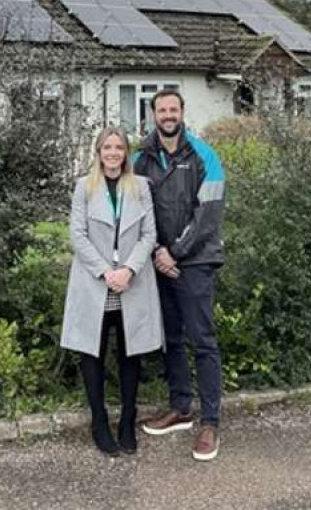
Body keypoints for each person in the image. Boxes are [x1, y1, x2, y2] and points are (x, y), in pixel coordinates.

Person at [61, 126, 164, 457]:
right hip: (96, 282)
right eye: (107, 147)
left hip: (131, 282)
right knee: (93, 352)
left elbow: (150, 234)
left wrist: (129, 269)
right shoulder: (83, 187)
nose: (113, 153)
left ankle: (127, 420)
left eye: (119, 147)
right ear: (98, 152)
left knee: (130, 353)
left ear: (126, 152)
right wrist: (106, 272)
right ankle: (99, 421)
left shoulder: (141, 187)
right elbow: (77, 236)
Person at [134, 89, 225, 462]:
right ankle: (180, 407)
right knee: (170, 337)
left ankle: (210, 421)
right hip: (159, 262)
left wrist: (176, 252)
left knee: (202, 339)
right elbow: (138, 210)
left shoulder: (205, 155)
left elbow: (208, 214)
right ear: (153, 114)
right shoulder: (141, 158)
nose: (168, 115)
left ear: (182, 113)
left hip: (196, 261)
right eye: (162, 109)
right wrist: (157, 251)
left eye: (174, 109)